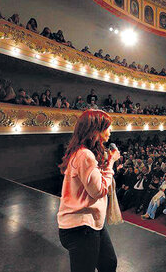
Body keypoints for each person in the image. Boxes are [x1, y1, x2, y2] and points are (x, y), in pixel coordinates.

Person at [57, 110, 119, 272]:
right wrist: (111, 164)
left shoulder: (82, 152)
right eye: (107, 127)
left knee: (109, 263)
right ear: (95, 130)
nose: (110, 130)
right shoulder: (85, 155)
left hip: (91, 223)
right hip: (80, 227)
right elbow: (99, 191)